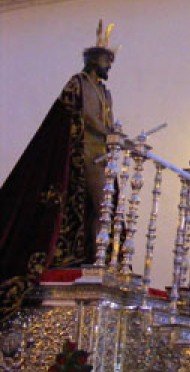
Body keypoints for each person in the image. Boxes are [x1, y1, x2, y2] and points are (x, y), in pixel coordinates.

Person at [0, 20, 117, 322]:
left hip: (102, 156)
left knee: (105, 207)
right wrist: (109, 132)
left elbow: (107, 120)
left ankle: (97, 259)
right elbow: (85, 117)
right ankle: (87, 258)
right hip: (85, 153)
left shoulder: (105, 92)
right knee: (99, 204)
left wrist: (116, 134)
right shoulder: (78, 84)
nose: (108, 67)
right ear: (94, 61)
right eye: (105, 61)